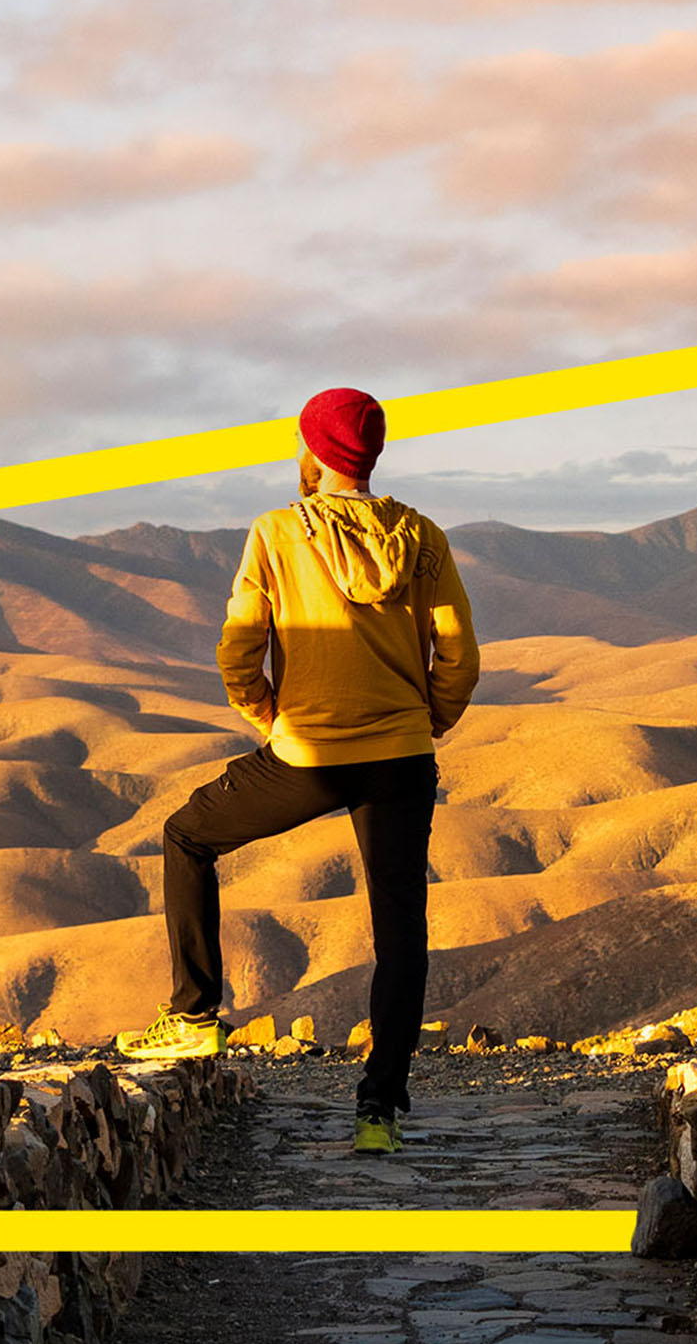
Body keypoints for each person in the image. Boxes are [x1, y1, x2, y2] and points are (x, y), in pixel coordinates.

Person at [117, 387, 479, 1154]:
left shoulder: (277, 533)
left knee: (186, 837)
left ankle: (192, 1020)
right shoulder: (422, 538)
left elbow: (237, 648)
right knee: (400, 930)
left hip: (307, 755)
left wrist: (270, 717)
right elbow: (460, 655)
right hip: (402, 759)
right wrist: (427, 720)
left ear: (313, 452)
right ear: (371, 454)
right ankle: (378, 1112)